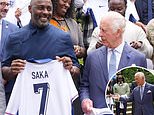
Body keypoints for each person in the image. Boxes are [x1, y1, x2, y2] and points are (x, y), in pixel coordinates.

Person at [2, 0, 80, 106]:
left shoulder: (63, 37)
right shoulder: (15, 38)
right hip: (26, 103)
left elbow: (76, 70)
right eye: (41, 8)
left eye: (49, 9)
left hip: (56, 104)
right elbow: (4, 72)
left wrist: (70, 68)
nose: (45, 12)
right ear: (30, 9)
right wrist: (12, 70)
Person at [79, 11, 147, 114]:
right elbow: (84, 85)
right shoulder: (92, 57)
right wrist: (85, 99)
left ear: (118, 32)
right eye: (99, 29)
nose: (100, 34)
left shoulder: (138, 58)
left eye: (104, 30)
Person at [50, 0, 86, 114]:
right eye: (64, 1)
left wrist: (80, 50)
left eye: (69, 3)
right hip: (51, 75)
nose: (67, 5)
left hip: (72, 76)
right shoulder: (45, 22)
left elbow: (84, 49)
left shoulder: (73, 23)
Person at [87, 0, 153, 60]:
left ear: (125, 8)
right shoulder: (99, 30)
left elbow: (149, 53)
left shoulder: (136, 30)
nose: (116, 12)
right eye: (112, 9)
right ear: (108, 8)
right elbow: (89, 53)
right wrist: (96, 47)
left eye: (119, 9)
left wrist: (141, 45)